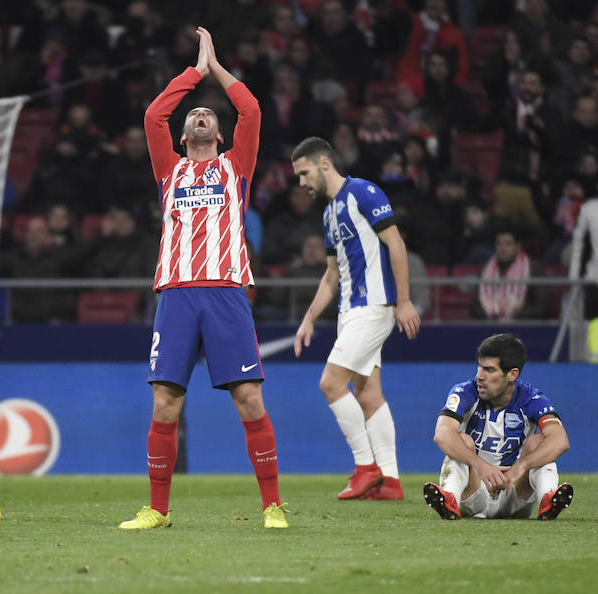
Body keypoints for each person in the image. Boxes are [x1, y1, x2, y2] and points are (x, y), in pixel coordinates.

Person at [119, 27, 287, 530]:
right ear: (182, 133)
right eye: (195, 112)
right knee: (166, 401)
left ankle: (272, 506)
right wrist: (194, 71)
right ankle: (158, 510)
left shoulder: (237, 167)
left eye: (209, 113)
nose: (201, 113)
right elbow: (153, 114)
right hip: (174, 295)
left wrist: (216, 68)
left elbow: (252, 110)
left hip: (225, 293)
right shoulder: (168, 169)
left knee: (249, 398)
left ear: (219, 134)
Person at [291, 136, 421, 501]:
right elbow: (332, 274)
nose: (301, 183)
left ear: (324, 164)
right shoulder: (329, 213)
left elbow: (395, 243)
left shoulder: (363, 192)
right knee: (368, 393)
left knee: (330, 383)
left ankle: (366, 467)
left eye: (304, 173)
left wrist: (404, 300)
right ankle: (391, 482)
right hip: (350, 312)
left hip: (375, 305)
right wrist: (309, 317)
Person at [423, 333, 573, 520]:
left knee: (539, 442)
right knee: (461, 440)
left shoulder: (532, 399)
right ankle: (450, 497)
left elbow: (560, 440)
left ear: (512, 374)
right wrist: (482, 467)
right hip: (474, 492)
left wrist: (520, 466)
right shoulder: (464, 392)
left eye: (489, 370)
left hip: (514, 492)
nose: (479, 376)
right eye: (479, 367)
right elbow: (442, 434)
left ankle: (548, 497)